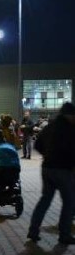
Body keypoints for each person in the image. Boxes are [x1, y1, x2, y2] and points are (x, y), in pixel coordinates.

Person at [27, 103, 75, 244]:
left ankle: (33, 230)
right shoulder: (70, 129)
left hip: (47, 168)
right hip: (63, 170)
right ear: (70, 115)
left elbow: (37, 145)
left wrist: (48, 155)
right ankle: (64, 234)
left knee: (45, 200)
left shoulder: (50, 126)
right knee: (69, 202)